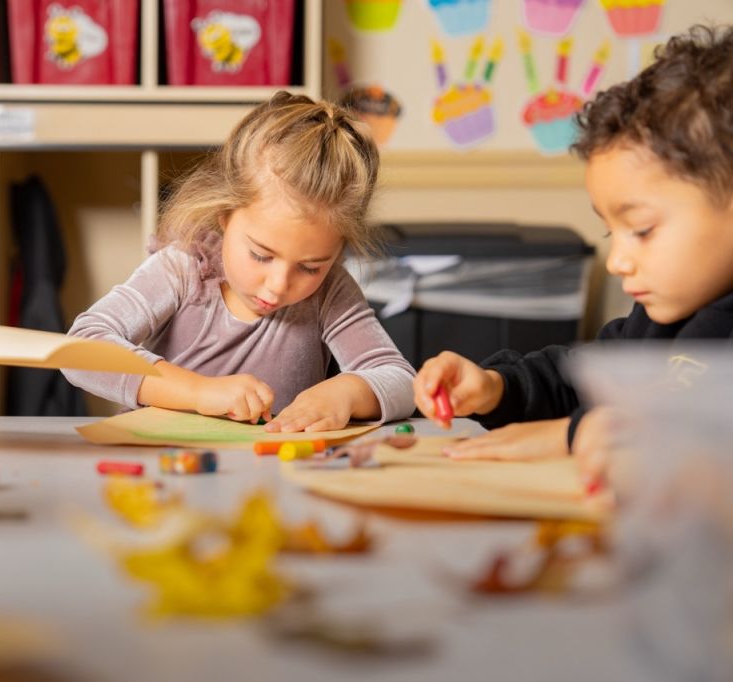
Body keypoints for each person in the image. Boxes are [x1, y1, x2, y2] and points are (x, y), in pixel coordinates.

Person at [413, 25, 733, 487]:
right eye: (611, 230)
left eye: (642, 230)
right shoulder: (658, 317)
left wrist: (573, 434)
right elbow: (584, 378)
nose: (617, 260)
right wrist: (496, 387)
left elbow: (698, 429)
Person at [63, 91, 415, 432]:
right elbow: (80, 350)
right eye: (261, 255)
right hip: (166, 481)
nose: (278, 285)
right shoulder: (185, 268)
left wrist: (347, 393)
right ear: (224, 215)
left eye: (310, 267)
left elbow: (399, 379)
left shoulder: (331, 290)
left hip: (274, 480)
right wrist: (198, 392)